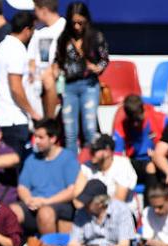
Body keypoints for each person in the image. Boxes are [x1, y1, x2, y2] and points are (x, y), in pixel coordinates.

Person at [52, 2, 106, 150]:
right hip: (68, 86)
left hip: (89, 85)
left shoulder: (95, 36)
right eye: (73, 23)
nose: (77, 27)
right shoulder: (64, 38)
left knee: (90, 129)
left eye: (80, 23)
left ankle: (89, 161)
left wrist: (97, 68)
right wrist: (56, 69)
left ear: (86, 20)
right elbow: (58, 59)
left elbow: (104, 59)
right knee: (70, 131)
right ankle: (72, 162)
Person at [16, 118, 79, 236]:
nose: (36, 141)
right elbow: (22, 187)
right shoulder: (31, 159)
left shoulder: (68, 158)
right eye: (35, 137)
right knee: (12, 212)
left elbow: (71, 191)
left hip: (59, 205)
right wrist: (29, 200)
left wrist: (46, 202)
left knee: (45, 214)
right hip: (34, 205)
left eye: (41, 137)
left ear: (53, 138)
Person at [0, 11, 38, 159]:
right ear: (27, 30)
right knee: (13, 168)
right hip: (12, 121)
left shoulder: (0, 48)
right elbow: (15, 88)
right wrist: (33, 113)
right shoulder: (16, 50)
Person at [25, 0, 64, 122]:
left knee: (48, 79)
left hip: (58, 77)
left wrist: (48, 73)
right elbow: (31, 59)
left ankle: (49, 122)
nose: (35, 14)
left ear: (44, 10)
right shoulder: (38, 32)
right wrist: (33, 74)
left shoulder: (64, 28)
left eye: (36, 10)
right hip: (37, 80)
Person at [80, 134, 136, 203]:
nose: (91, 153)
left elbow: (120, 200)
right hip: (94, 208)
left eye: (94, 150)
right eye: (90, 149)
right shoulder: (86, 166)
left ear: (107, 151)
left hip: (122, 208)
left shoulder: (122, 164)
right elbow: (77, 199)